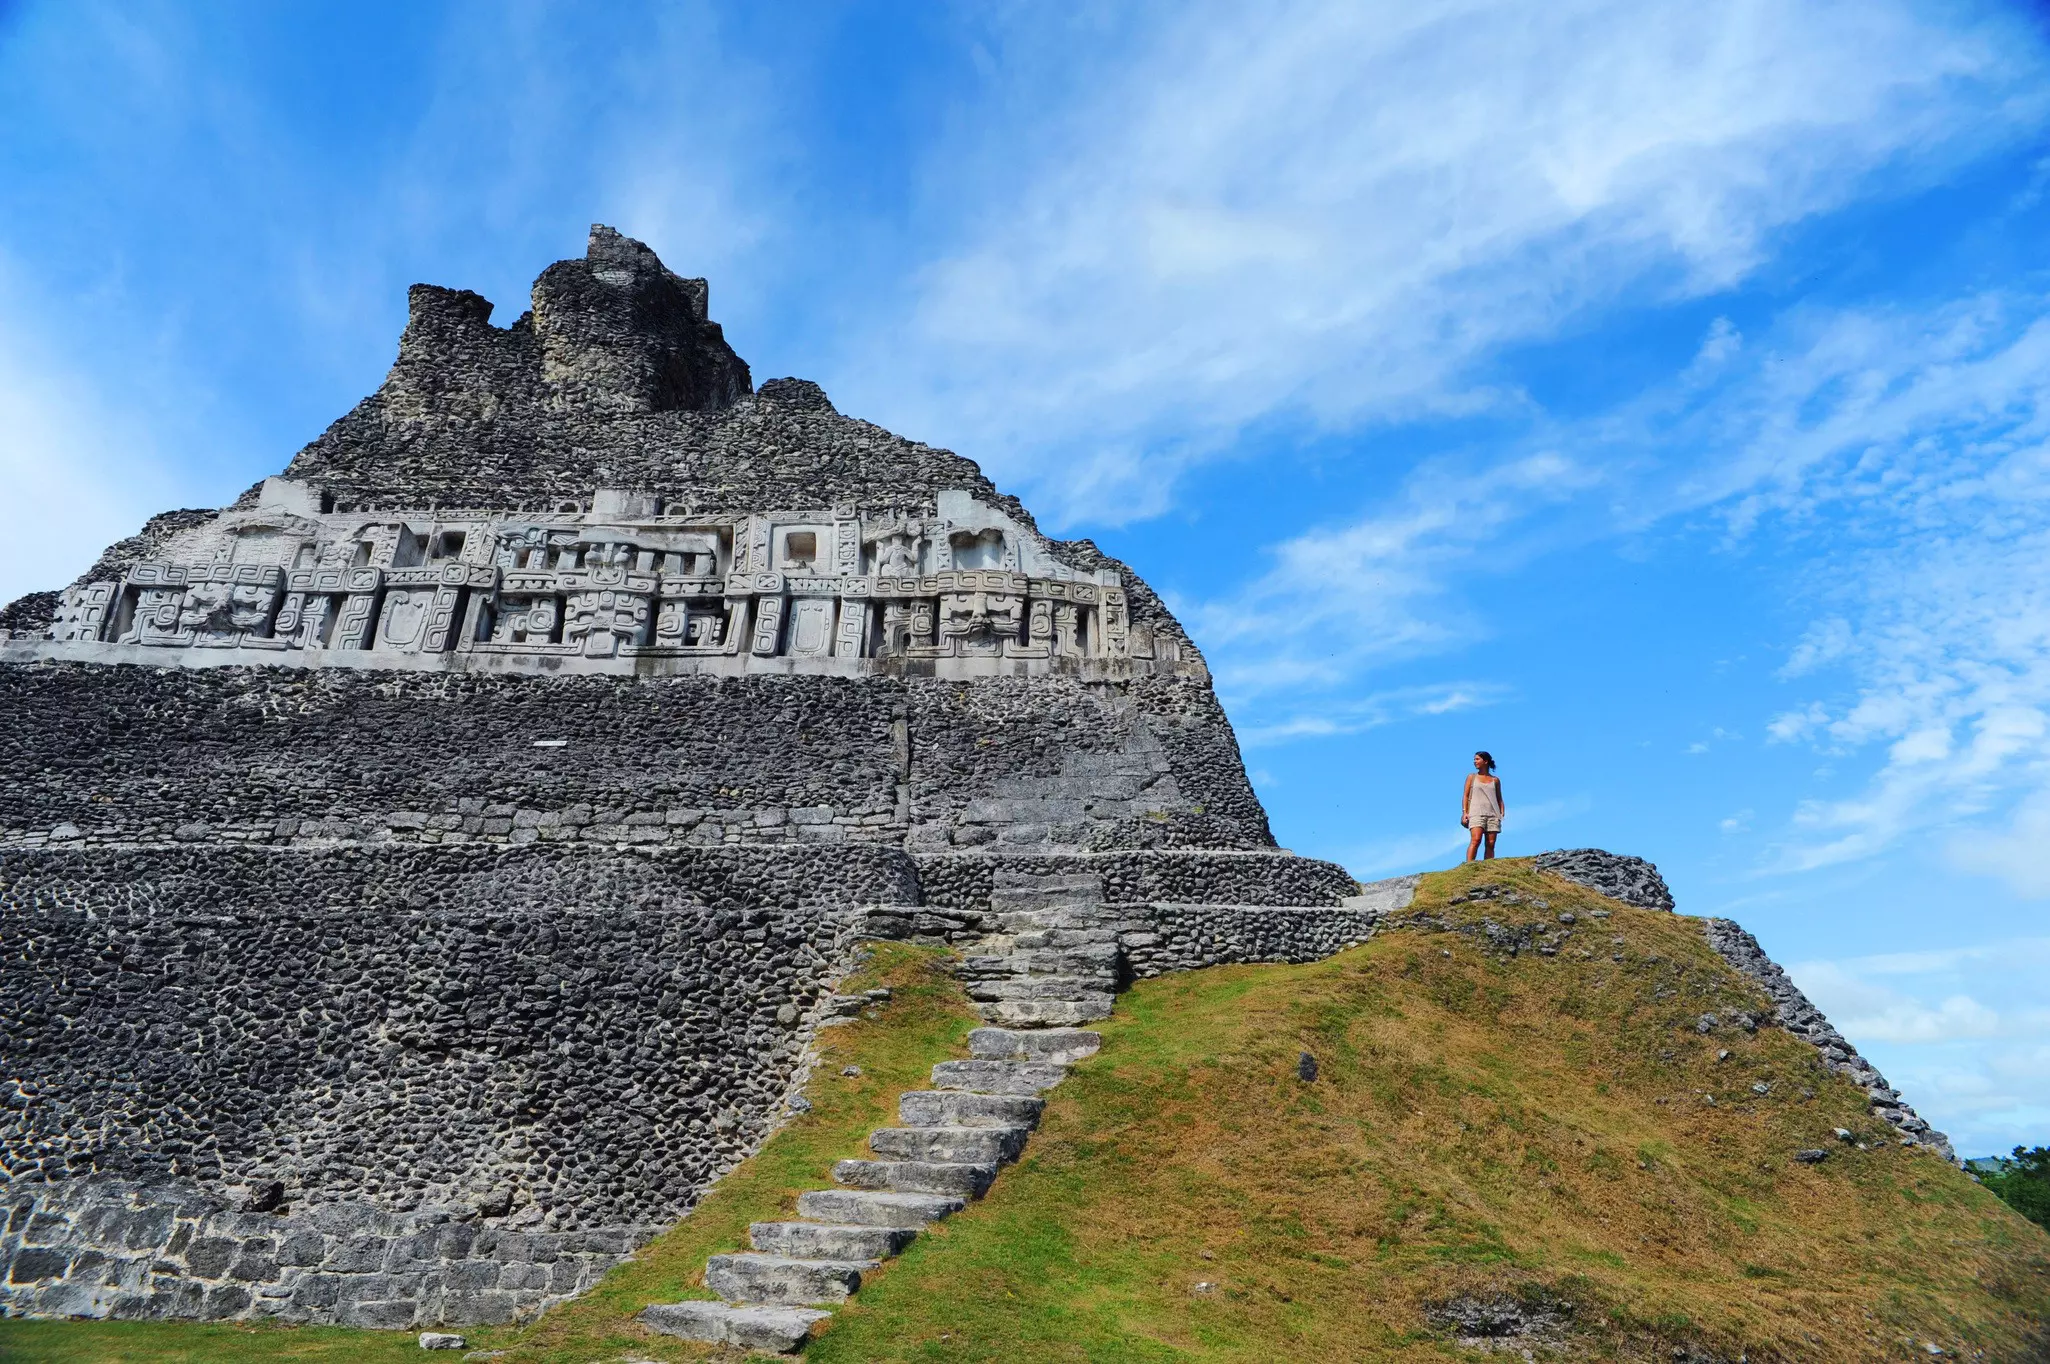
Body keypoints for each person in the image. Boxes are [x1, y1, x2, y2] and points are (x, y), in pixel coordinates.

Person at [1462, 751, 1504, 861]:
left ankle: (1487, 867)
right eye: (1474, 759)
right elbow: (1465, 796)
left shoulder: (1495, 780)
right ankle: (1469, 865)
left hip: (1493, 814)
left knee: (1491, 843)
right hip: (1476, 813)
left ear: (1485, 761)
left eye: (1477, 759)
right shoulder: (1471, 777)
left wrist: (1502, 811)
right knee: (1476, 840)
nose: (1474, 761)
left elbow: (1499, 797)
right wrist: (1464, 812)